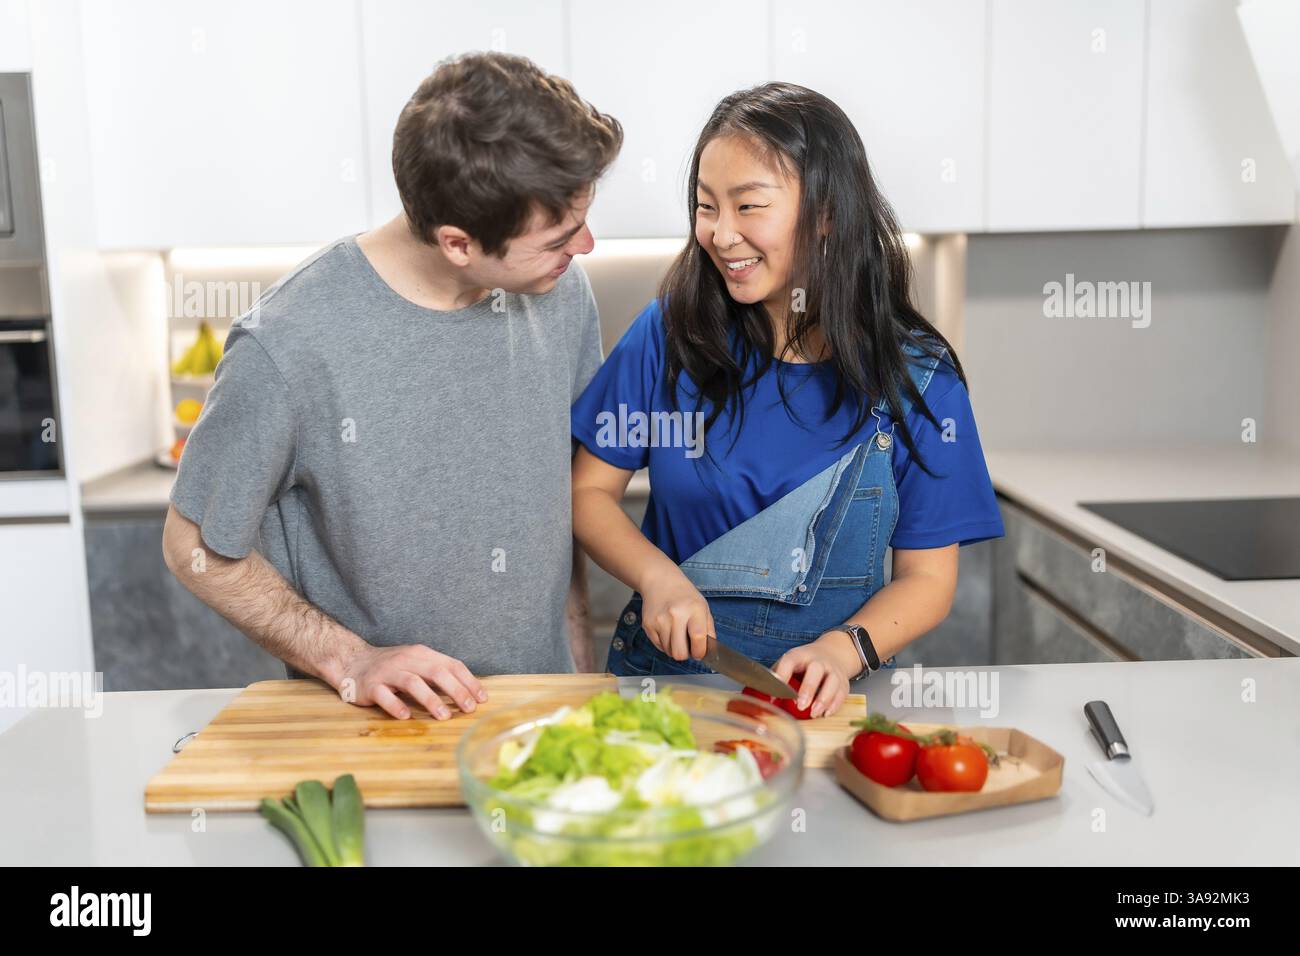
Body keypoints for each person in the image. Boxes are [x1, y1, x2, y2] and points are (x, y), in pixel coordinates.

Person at [163, 52, 622, 720]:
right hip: (380, 729)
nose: (585, 246)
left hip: (540, 716)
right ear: (458, 243)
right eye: (559, 234)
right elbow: (193, 546)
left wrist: (575, 673)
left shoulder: (558, 291)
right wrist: (350, 660)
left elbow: (552, 498)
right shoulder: (289, 342)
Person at [571, 82, 1004, 719]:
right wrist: (658, 578)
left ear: (827, 212)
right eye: (705, 206)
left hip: (824, 703)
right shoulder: (670, 336)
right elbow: (588, 494)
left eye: (749, 206)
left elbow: (928, 582)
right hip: (663, 693)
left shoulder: (919, 379)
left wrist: (842, 649)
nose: (720, 234)